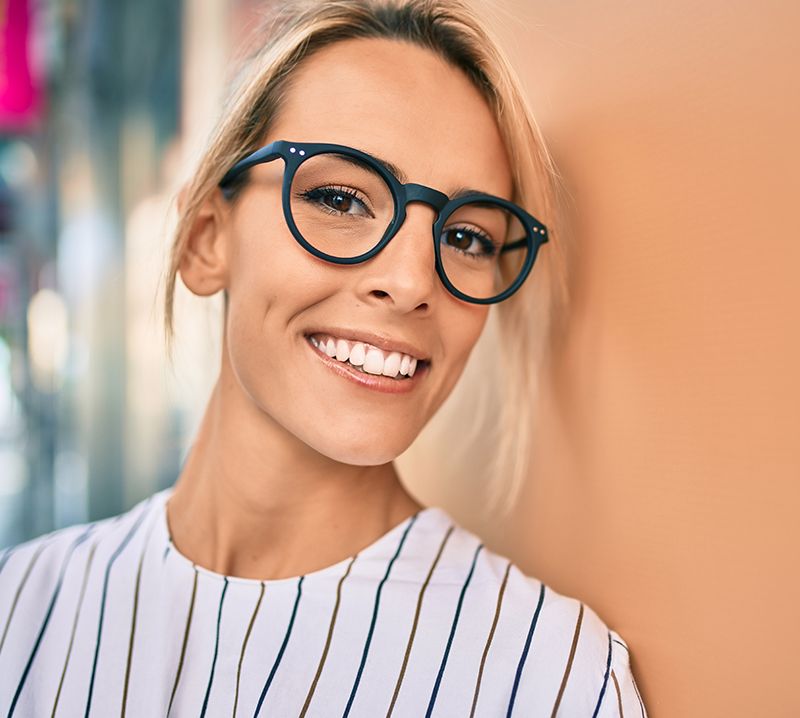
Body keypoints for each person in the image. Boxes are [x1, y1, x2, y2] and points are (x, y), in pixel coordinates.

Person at [0, 1, 648, 715]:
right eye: (340, 198)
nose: (409, 282)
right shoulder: (19, 607)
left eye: (467, 238)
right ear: (206, 239)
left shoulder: (553, 677)